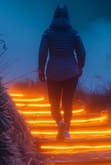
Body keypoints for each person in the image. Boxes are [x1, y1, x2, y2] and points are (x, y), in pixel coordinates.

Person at [38, 4, 86, 141]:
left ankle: (59, 122)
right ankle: (67, 131)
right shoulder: (74, 33)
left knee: (54, 103)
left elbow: (42, 53)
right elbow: (82, 52)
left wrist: (41, 69)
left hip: (53, 72)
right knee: (68, 103)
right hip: (71, 72)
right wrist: (80, 66)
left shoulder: (48, 33)